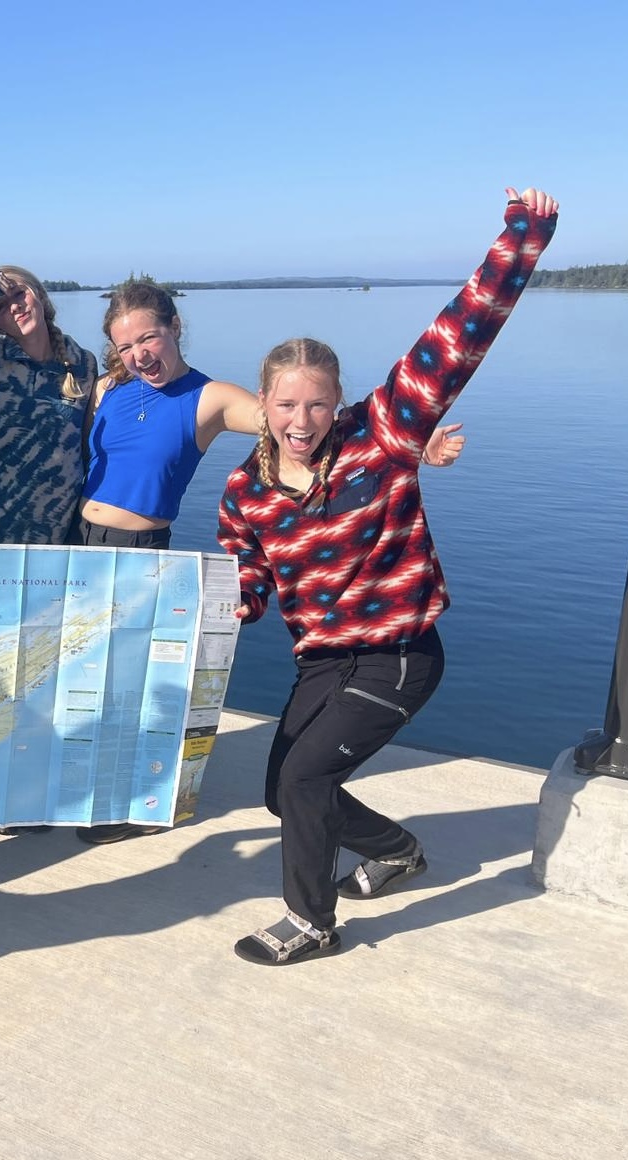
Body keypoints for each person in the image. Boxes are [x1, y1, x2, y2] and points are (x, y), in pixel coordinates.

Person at [216, 187, 557, 966]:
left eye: (316, 404)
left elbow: (463, 329)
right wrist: (216, 607)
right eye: (284, 405)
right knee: (282, 790)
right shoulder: (245, 492)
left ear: (339, 401)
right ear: (261, 402)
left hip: (400, 653)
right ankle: (398, 850)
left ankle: (311, 921)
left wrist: (524, 231)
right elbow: (248, 586)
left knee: (302, 780)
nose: (299, 422)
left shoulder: (383, 431)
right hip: (322, 658)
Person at [74, 281, 466, 846]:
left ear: (175, 328)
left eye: (150, 337)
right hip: (79, 542)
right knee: (82, 678)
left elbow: (302, 418)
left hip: (135, 551)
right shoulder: (112, 388)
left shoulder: (209, 398)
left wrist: (412, 442)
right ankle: (74, 789)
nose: (141, 353)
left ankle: (146, 802)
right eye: (126, 343)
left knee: (139, 684)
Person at [0, 266, 99, 545]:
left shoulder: (83, 362)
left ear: (38, 293)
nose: (15, 307)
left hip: (48, 537)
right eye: (1, 306)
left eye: (19, 294)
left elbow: (84, 448)